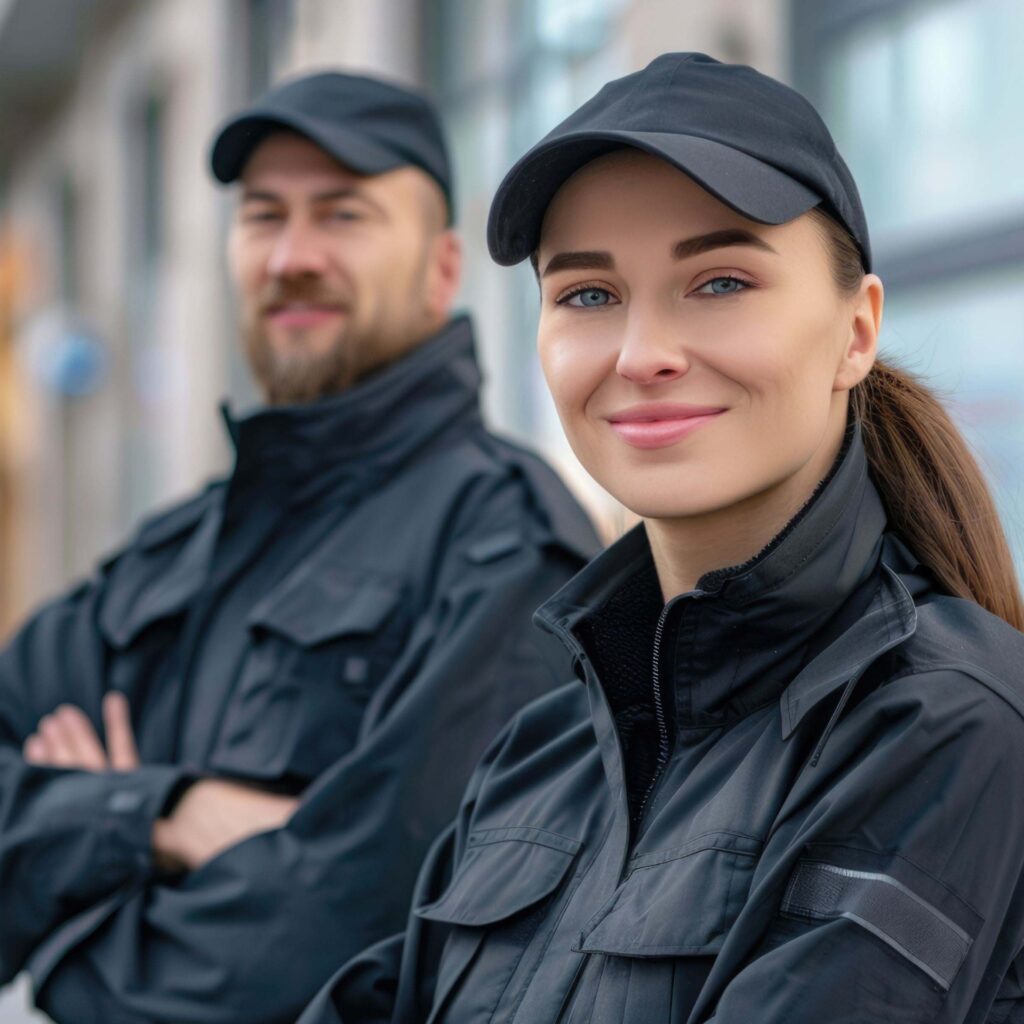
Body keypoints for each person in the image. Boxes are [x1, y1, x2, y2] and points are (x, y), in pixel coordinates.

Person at [297, 52, 1024, 1024]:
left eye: (719, 281)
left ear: (856, 330)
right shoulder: (542, 753)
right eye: (588, 295)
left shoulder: (945, 725)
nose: (642, 356)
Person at [0, 71, 599, 1023]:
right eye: (263, 216)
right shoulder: (179, 543)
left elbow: (360, 936)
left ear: (442, 270)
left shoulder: (504, 544)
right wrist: (160, 816)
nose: (292, 256)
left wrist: (64, 947)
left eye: (344, 215)